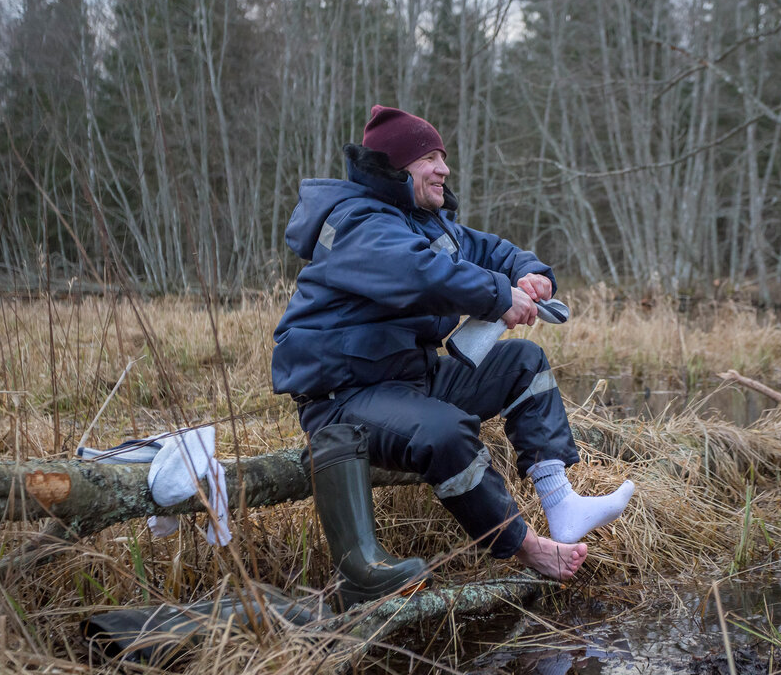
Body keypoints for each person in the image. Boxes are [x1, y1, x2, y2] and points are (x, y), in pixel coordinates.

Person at [272, 105, 634, 605]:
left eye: (443, 157)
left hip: (410, 379)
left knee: (523, 366)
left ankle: (561, 502)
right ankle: (525, 546)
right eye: (430, 158)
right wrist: (499, 296)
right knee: (443, 432)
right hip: (346, 397)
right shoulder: (356, 222)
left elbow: (491, 252)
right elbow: (415, 273)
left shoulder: (424, 222)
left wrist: (530, 273)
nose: (444, 168)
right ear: (396, 167)